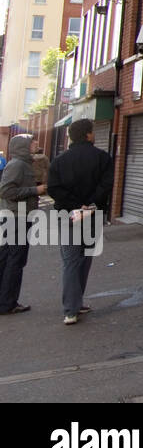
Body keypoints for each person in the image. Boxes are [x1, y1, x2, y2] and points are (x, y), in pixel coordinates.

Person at [47, 120, 113, 325]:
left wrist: (76, 205)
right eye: (93, 132)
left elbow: (54, 189)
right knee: (85, 259)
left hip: (68, 215)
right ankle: (77, 301)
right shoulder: (102, 158)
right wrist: (90, 204)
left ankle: (71, 309)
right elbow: (106, 184)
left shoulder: (59, 161)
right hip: (93, 215)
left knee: (70, 260)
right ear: (88, 135)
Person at [0, 135, 47, 315]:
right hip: (16, 218)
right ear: (23, 146)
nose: (36, 144)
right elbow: (6, 191)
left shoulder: (23, 164)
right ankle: (8, 303)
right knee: (15, 260)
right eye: (32, 142)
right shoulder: (17, 165)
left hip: (15, 217)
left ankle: (5, 301)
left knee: (7, 258)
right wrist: (35, 190)